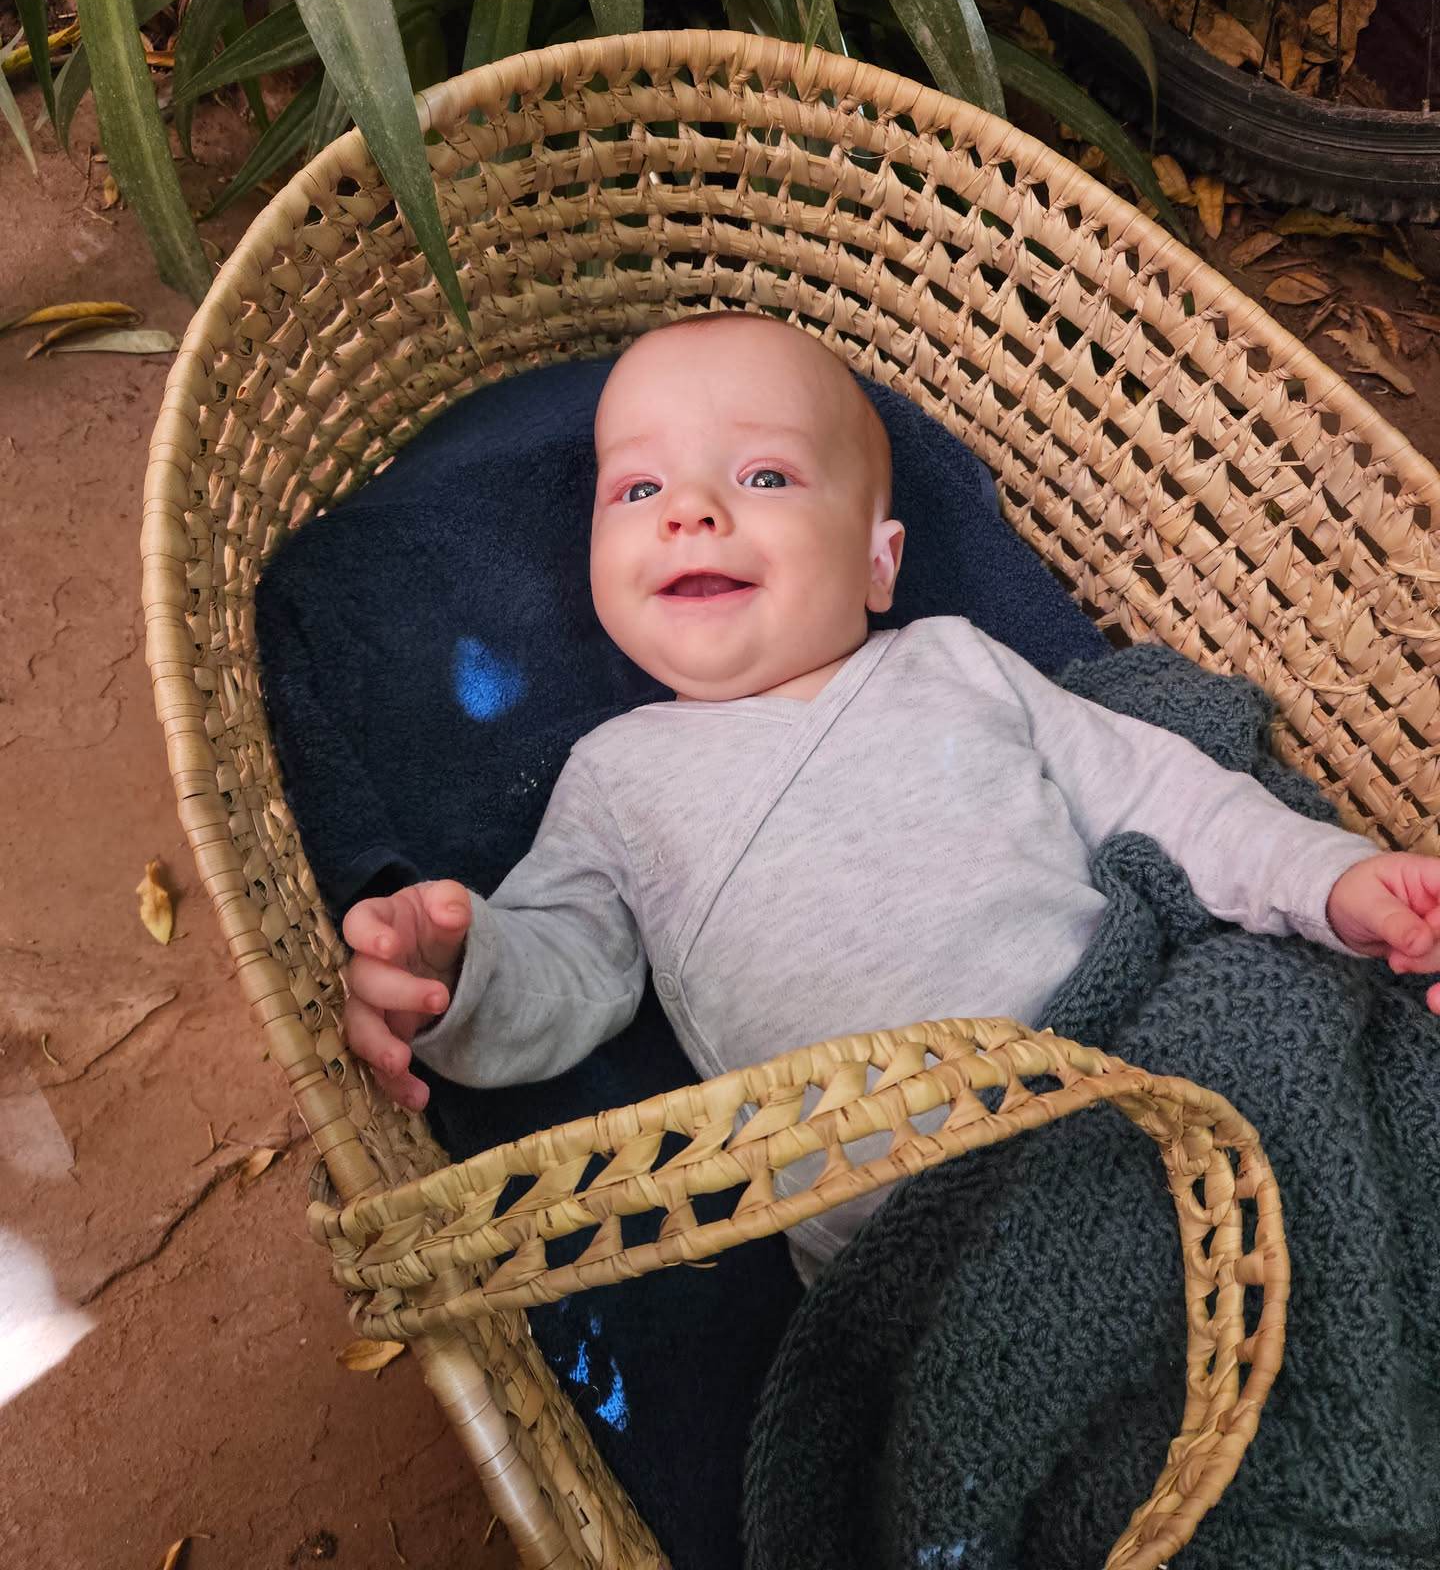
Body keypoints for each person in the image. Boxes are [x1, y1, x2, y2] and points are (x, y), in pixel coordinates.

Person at [342, 314, 1440, 1266]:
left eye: (763, 478)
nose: (692, 512)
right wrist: (456, 975)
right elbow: (569, 970)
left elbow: (1163, 796)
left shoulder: (956, 662)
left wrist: (1331, 878)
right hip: (920, 1229)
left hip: (1139, 1059)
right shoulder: (617, 776)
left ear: (880, 562)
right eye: (639, 489)